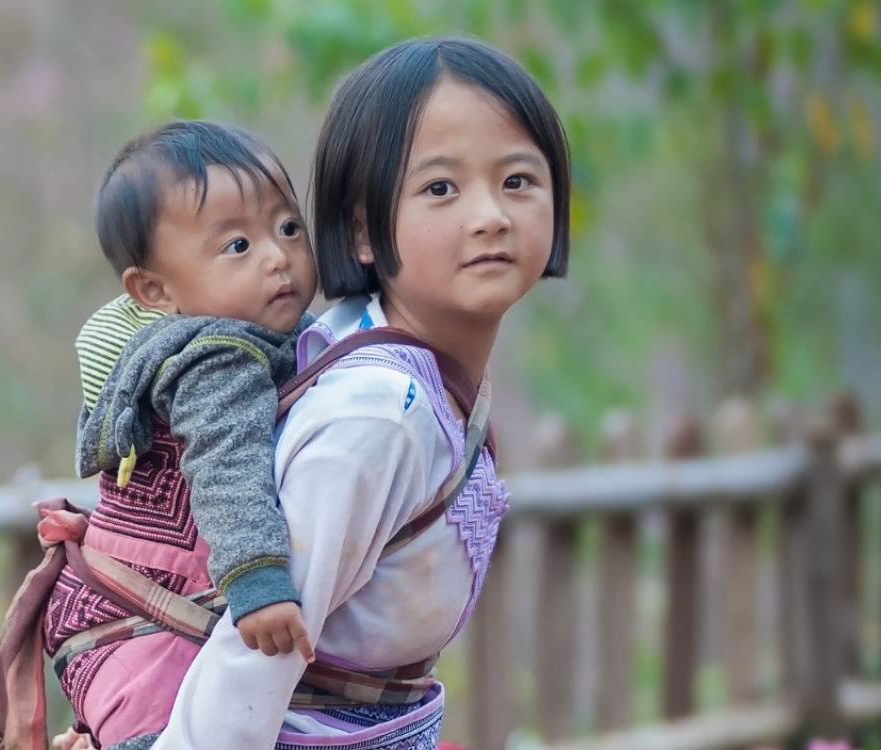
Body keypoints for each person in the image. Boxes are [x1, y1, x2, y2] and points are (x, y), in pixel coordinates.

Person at [146, 35, 572, 749]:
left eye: (518, 181)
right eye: (441, 188)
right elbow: (260, 646)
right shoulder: (378, 416)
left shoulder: (410, 369)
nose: (490, 216)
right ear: (363, 231)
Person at [0, 119, 321, 750]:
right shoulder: (220, 359)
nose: (279, 256)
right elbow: (227, 465)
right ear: (156, 289)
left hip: (112, 619)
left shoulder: (180, 349)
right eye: (237, 246)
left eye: (288, 227)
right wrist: (257, 581)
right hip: (148, 629)